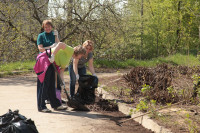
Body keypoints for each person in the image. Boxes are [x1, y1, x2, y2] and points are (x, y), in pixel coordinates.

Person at [36, 19, 67, 112]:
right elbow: (40, 49)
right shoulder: (41, 36)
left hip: (52, 60)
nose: (47, 28)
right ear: (43, 27)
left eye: (49, 26)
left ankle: (55, 104)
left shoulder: (54, 35)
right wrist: (49, 49)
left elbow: (58, 45)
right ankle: (41, 106)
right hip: (43, 61)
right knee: (43, 83)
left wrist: (56, 36)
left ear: (51, 27)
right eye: (45, 27)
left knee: (52, 83)